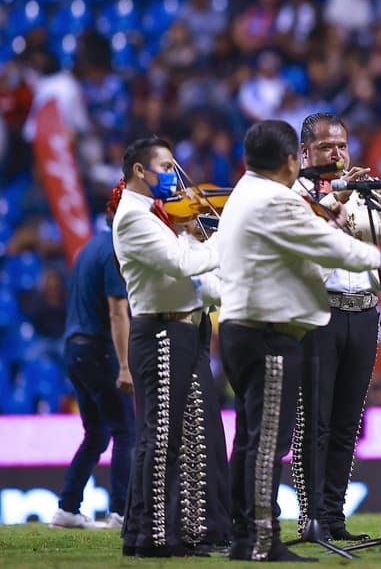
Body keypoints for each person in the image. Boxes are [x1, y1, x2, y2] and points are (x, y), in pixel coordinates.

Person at [216, 120, 381, 562]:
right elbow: (331, 247)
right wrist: (369, 252)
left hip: (241, 327)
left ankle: (244, 536)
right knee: (270, 441)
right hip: (267, 331)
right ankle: (262, 539)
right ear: (293, 159)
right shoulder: (275, 198)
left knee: (253, 438)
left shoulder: (243, 192)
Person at [291, 112, 381, 542]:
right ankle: (311, 516)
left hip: (363, 312)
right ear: (305, 152)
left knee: (347, 423)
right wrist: (332, 200)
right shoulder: (295, 194)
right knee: (315, 422)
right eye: (326, 147)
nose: (337, 154)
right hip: (318, 313)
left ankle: (334, 515)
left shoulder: (362, 194)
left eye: (341, 145)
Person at [112, 137, 220, 558]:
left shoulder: (157, 215)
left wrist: (190, 234)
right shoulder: (133, 218)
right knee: (159, 439)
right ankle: (148, 536)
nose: (175, 174)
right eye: (167, 165)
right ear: (140, 170)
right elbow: (181, 264)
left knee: (175, 437)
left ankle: (166, 530)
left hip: (181, 328)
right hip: (159, 330)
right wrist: (220, 241)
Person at [52, 205, 133, 531]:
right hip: (99, 350)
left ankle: (68, 508)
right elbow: (117, 312)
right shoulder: (113, 249)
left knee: (97, 433)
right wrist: (125, 365)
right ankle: (120, 513)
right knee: (126, 432)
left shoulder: (89, 247)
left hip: (74, 349)